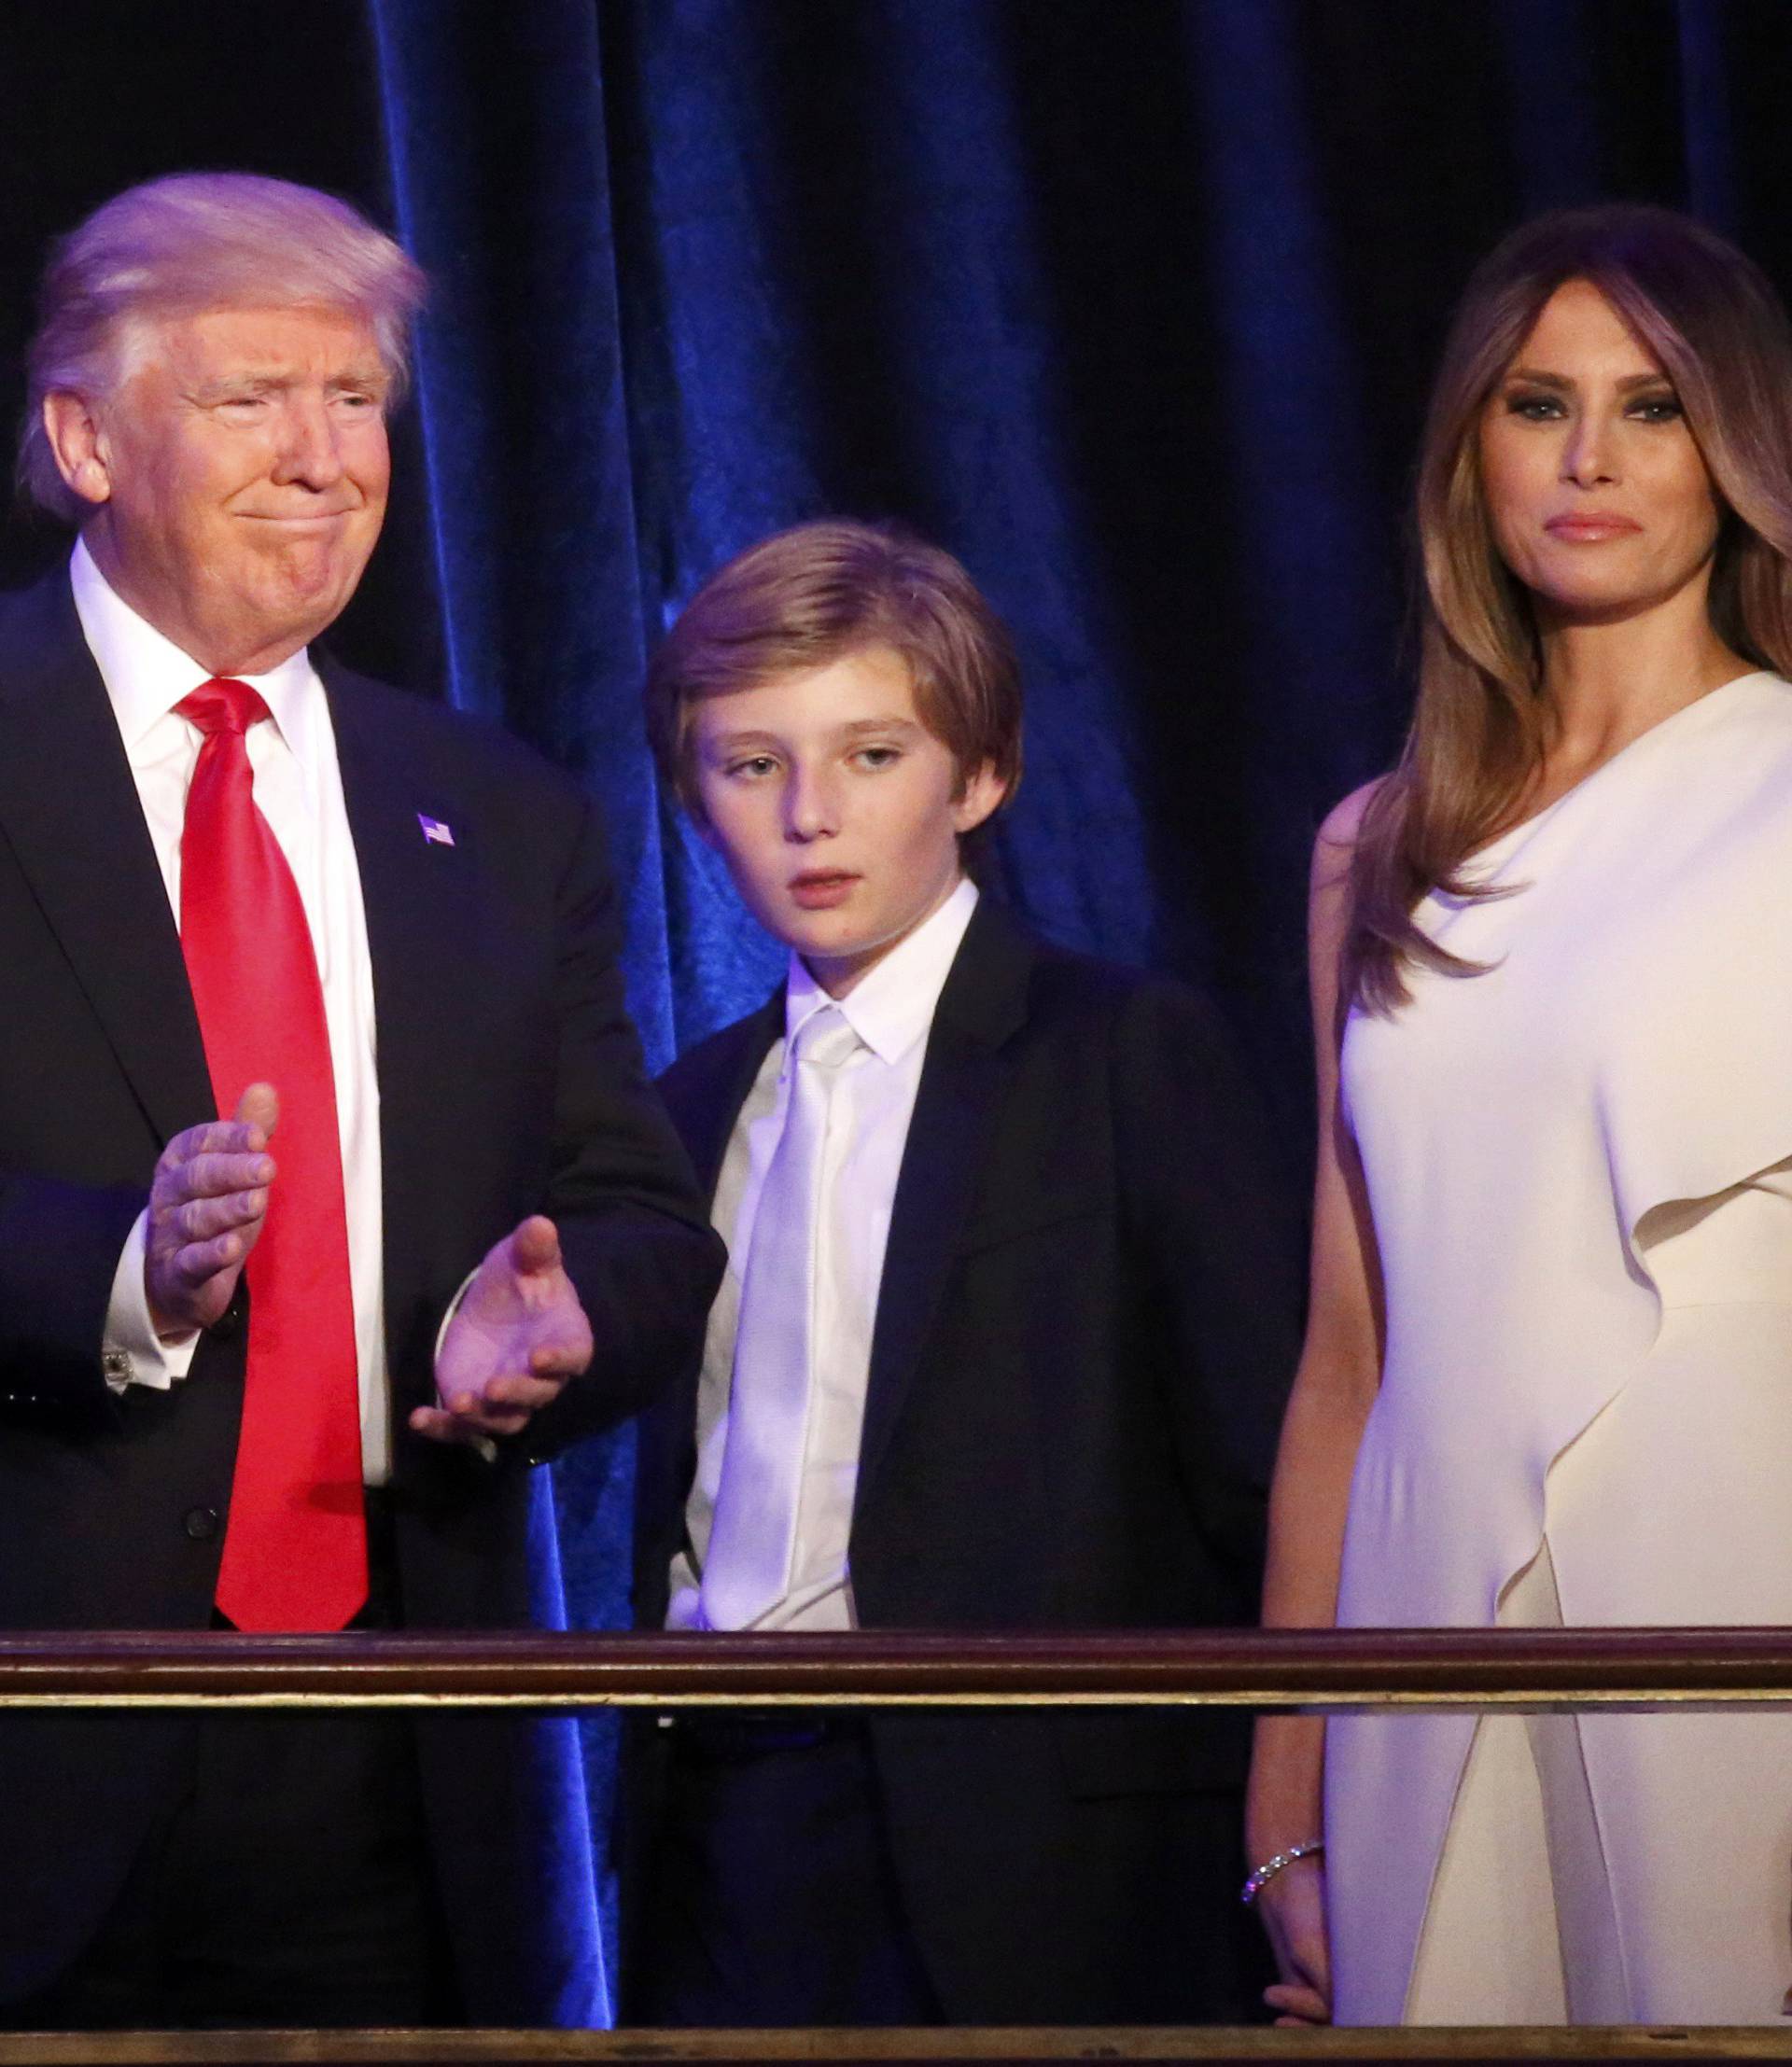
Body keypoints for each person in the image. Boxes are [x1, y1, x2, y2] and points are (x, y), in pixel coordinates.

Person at [0, 171, 722, 2030]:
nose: (324, 460)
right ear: (84, 437)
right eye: (250, 400)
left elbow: (642, 1217)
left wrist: (569, 1319)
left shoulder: (496, 809)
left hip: (399, 1768)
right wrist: (123, 1277)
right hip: (39, 1724)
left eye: (358, 404)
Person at [621, 517, 1302, 2026]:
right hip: (730, 1816)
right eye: (752, 766)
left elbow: (1266, 1476)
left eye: (871, 756)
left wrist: (1299, 1825)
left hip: (1044, 1836)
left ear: (977, 777)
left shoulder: (1123, 1055)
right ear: (694, 797)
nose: (811, 816)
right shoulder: (685, 1108)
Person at [1247, 203, 1792, 2026]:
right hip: (1426, 1583)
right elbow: (1348, 1351)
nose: (1589, 458)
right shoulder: (1377, 848)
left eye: (1650, 407)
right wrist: (1284, 1780)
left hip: (1729, 1564)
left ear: (1735, 446)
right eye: (1537, 403)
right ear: (1467, 451)